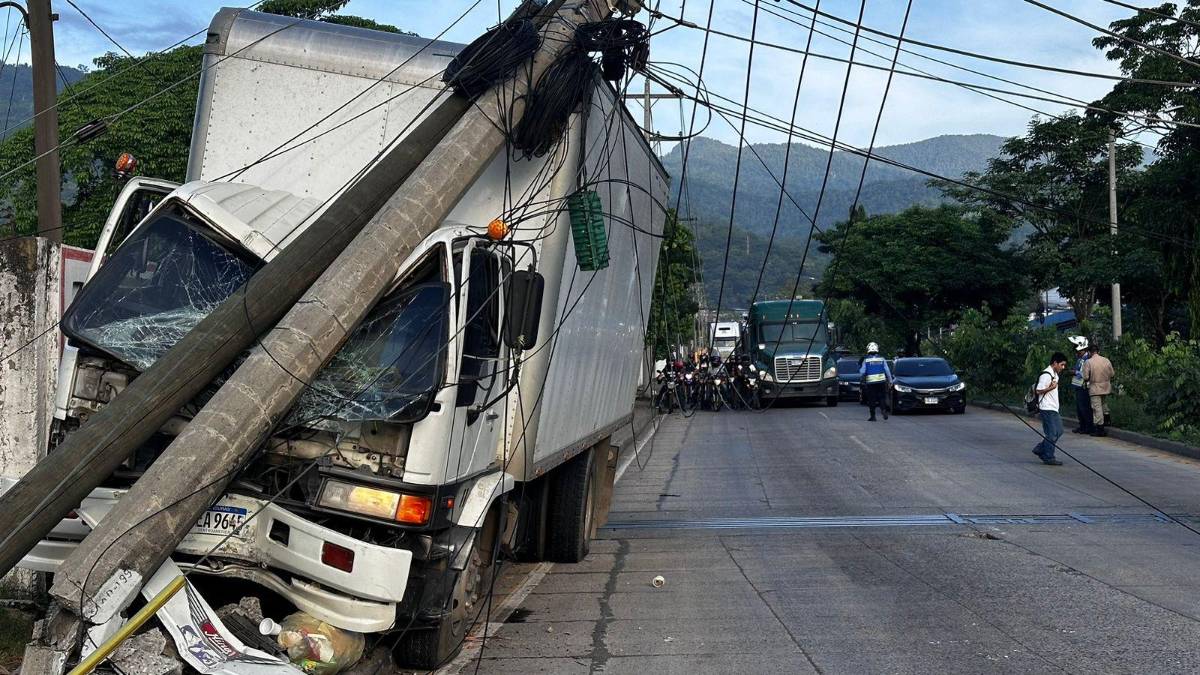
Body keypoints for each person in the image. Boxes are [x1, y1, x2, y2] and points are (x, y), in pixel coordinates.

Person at [1033, 352, 1069, 466]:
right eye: (1062, 365)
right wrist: (1051, 388)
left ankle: (1040, 448)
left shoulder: (1054, 374)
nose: (1063, 367)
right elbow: (1038, 390)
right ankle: (1048, 456)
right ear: (1055, 363)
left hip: (1053, 408)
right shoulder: (1046, 375)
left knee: (1059, 431)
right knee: (1052, 433)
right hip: (1046, 407)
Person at [1083, 343, 1115, 437]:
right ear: (1098, 351)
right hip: (1105, 386)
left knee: (1097, 408)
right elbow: (1112, 374)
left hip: (1095, 388)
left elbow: (1085, 377)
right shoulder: (1106, 360)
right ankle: (1107, 419)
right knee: (1103, 403)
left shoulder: (1088, 362)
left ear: (1089, 352)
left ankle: (1100, 429)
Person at [1067, 336, 1095, 435]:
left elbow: (1085, 373)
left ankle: (1088, 427)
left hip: (1084, 386)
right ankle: (1082, 426)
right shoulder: (1080, 359)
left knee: (1085, 407)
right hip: (1078, 385)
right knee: (1079, 408)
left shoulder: (1087, 359)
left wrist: (1075, 372)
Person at [859, 342, 892, 421]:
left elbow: (862, 372)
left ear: (868, 350)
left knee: (872, 399)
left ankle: (873, 417)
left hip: (871, 383)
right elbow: (887, 370)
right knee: (882, 397)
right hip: (881, 382)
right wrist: (890, 380)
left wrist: (861, 376)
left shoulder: (866, 360)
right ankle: (883, 410)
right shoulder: (882, 359)